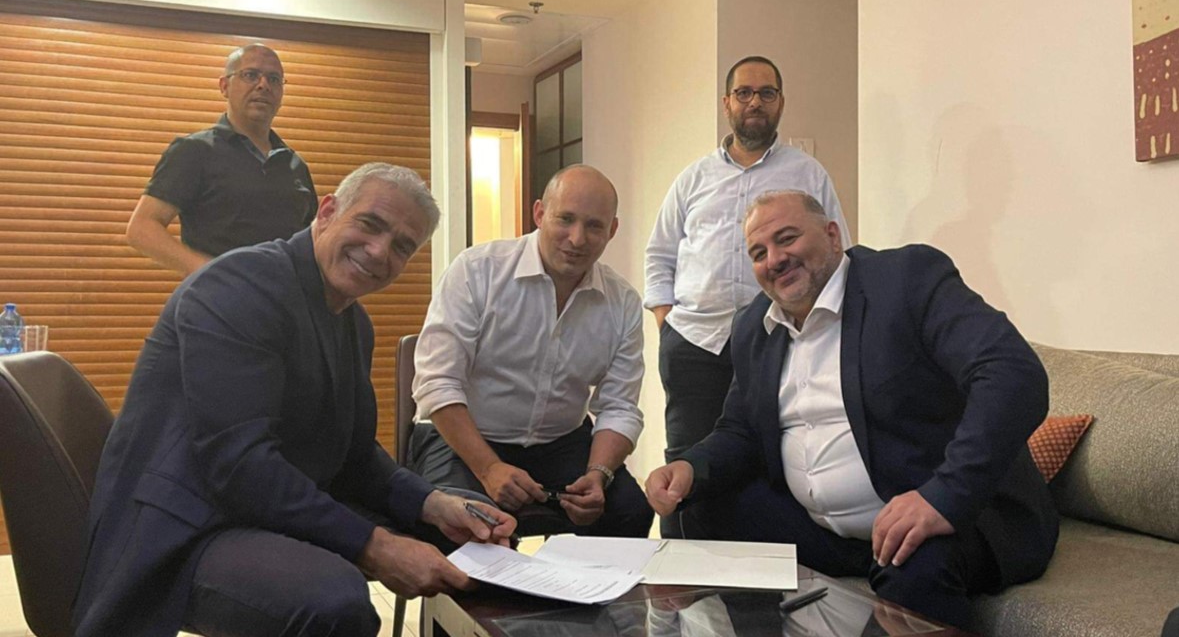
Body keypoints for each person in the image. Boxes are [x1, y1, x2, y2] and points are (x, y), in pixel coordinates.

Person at [73, 163, 516, 637]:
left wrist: (431, 502)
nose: (379, 251)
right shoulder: (238, 286)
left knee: (473, 529)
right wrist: (377, 546)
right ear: (327, 212)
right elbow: (238, 463)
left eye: (402, 246)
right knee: (333, 599)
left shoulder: (353, 323)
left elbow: (354, 455)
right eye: (370, 224)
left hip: (260, 502)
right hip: (187, 523)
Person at [645, 191, 1058, 628]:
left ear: (832, 236)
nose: (775, 260)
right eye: (759, 253)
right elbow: (741, 430)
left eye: (787, 238)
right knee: (703, 505)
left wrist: (944, 495)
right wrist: (689, 467)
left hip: (944, 513)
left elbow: (1012, 373)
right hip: (822, 530)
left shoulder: (906, 279)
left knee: (916, 567)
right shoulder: (753, 326)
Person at [644, 56, 850, 536]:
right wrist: (666, 322)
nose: (754, 102)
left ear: (780, 103)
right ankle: (680, 574)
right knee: (685, 467)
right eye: (744, 93)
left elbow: (838, 251)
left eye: (766, 93)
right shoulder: (693, 178)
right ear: (727, 104)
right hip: (694, 344)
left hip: (774, 343)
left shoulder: (808, 174)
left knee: (767, 459)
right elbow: (659, 254)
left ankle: (757, 575)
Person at [408, 164, 653, 539]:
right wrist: (489, 468)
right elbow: (437, 384)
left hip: (562, 442)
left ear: (612, 230)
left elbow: (619, 406)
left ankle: (576, 582)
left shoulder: (623, 302)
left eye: (594, 226)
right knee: (464, 522)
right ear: (539, 213)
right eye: (565, 219)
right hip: (466, 437)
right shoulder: (477, 271)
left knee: (629, 510)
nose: (577, 239)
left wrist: (598, 474)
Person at [126, 43, 318, 276]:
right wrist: (215, 275)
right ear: (224, 86)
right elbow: (142, 228)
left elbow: (311, 241)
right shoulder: (195, 151)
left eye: (274, 79)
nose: (263, 85)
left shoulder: (295, 166)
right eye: (250, 75)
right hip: (219, 296)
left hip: (285, 296)